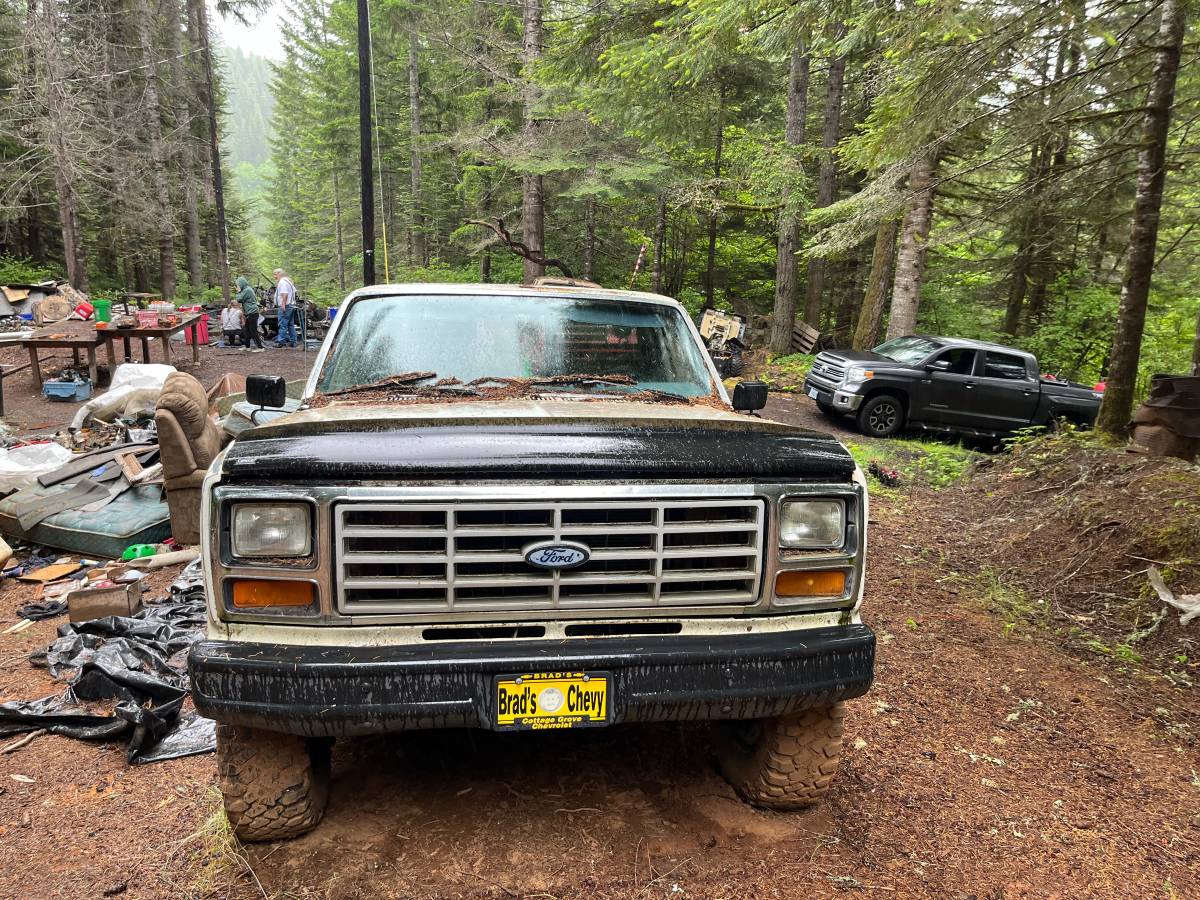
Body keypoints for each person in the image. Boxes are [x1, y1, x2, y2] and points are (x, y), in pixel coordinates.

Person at [236, 276, 265, 352]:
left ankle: (260, 347)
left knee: (253, 330)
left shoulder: (247, 290)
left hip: (252, 313)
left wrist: (238, 291)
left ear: (241, 284)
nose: (237, 286)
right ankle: (247, 346)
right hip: (250, 313)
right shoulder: (245, 290)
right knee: (247, 330)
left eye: (238, 285)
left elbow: (239, 299)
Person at [273, 267, 298, 348]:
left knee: (282, 324)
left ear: (280, 274)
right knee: (290, 324)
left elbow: (285, 294)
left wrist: (283, 305)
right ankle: (293, 342)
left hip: (286, 306)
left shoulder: (282, 282)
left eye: (275, 274)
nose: (274, 276)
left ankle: (281, 342)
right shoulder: (288, 281)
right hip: (291, 305)